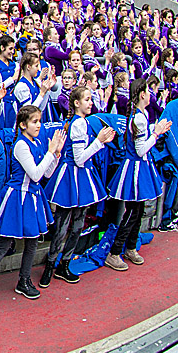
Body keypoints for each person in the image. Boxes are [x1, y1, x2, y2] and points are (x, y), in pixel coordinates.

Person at [0, 106, 65, 308]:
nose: (38, 125)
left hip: (32, 197)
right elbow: (34, 174)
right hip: (16, 197)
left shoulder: (38, 142)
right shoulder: (20, 145)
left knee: (33, 243)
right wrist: (50, 153)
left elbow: (46, 174)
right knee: (3, 245)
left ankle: (23, 281)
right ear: (23, 125)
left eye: (39, 121)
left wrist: (56, 154)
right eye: (34, 121)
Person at [41, 86, 115, 287]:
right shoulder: (78, 124)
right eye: (87, 99)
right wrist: (99, 142)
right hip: (72, 176)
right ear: (76, 103)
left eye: (91, 99)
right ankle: (53, 265)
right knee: (65, 225)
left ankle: (62, 265)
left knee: (76, 225)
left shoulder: (80, 122)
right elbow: (81, 158)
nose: (91, 103)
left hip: (80, 177)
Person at [104, 79, 171, 272]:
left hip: (139, 168)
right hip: (135, 168)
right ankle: (115, 253)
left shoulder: (140, 114)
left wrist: (156, 130)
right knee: (132, 212)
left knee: (138, 211)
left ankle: (130, 247)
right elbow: (141, 149)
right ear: (142, 94)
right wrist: (156, 133)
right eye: (148, 91)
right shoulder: (139, 117)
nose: (151, 94)